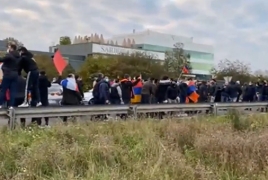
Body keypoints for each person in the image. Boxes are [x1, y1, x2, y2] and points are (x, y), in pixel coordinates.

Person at [0, 44, 20, 109]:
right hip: (15, 74)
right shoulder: (18, 56)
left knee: (3, 89)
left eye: (8, 47)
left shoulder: (9, 55)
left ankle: (0, 104)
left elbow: (2, 59)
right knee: (13, 90)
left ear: (11, 48)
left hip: (8, 74)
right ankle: (11, 106)